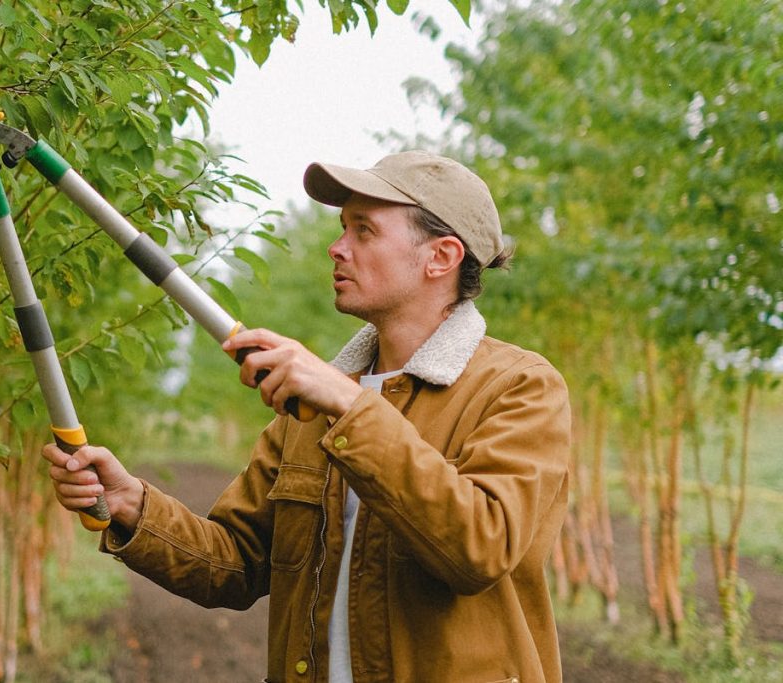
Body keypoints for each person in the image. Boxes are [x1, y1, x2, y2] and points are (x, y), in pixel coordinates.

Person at [43, 151, 571, 683]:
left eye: (364, 231)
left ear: (441, 256)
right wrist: (133, 505)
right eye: (343, 228)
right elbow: (237, 562)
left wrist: (349, 404)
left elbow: (479, 548)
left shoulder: (518, 388)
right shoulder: (312, 405)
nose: (336, 248)